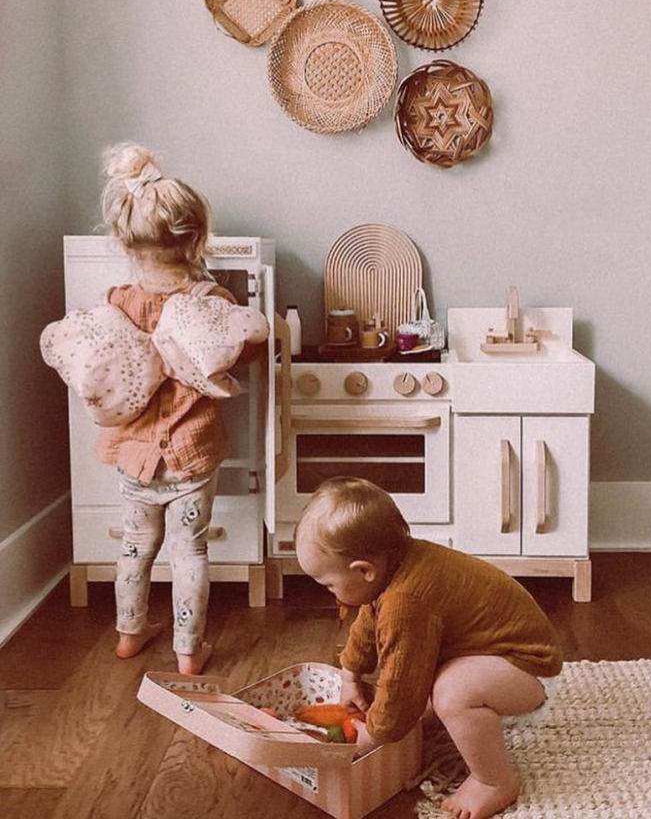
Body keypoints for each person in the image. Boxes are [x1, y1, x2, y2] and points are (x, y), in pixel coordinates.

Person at [295, 477, 563, 819]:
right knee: (432, 683)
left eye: (329, 584)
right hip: (492, 655)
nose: (330, 593)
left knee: (450, 692)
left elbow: (402, 682)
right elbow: (368, 622)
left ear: (363, 570)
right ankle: (458, 717)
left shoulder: (406, 601)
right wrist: (351, 673)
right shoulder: (392, 567)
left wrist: (373, 736)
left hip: (529, 668)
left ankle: (494, 781)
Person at [96, 141, 263, 674]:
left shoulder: (118, 300)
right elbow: (247, 352)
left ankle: (129, 633)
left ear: (126, 241)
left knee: (136, 547)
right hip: (192, 455)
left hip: (135, 455)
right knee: (188, 551)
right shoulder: (211, 301)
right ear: (195, 241)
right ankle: (189, 651)